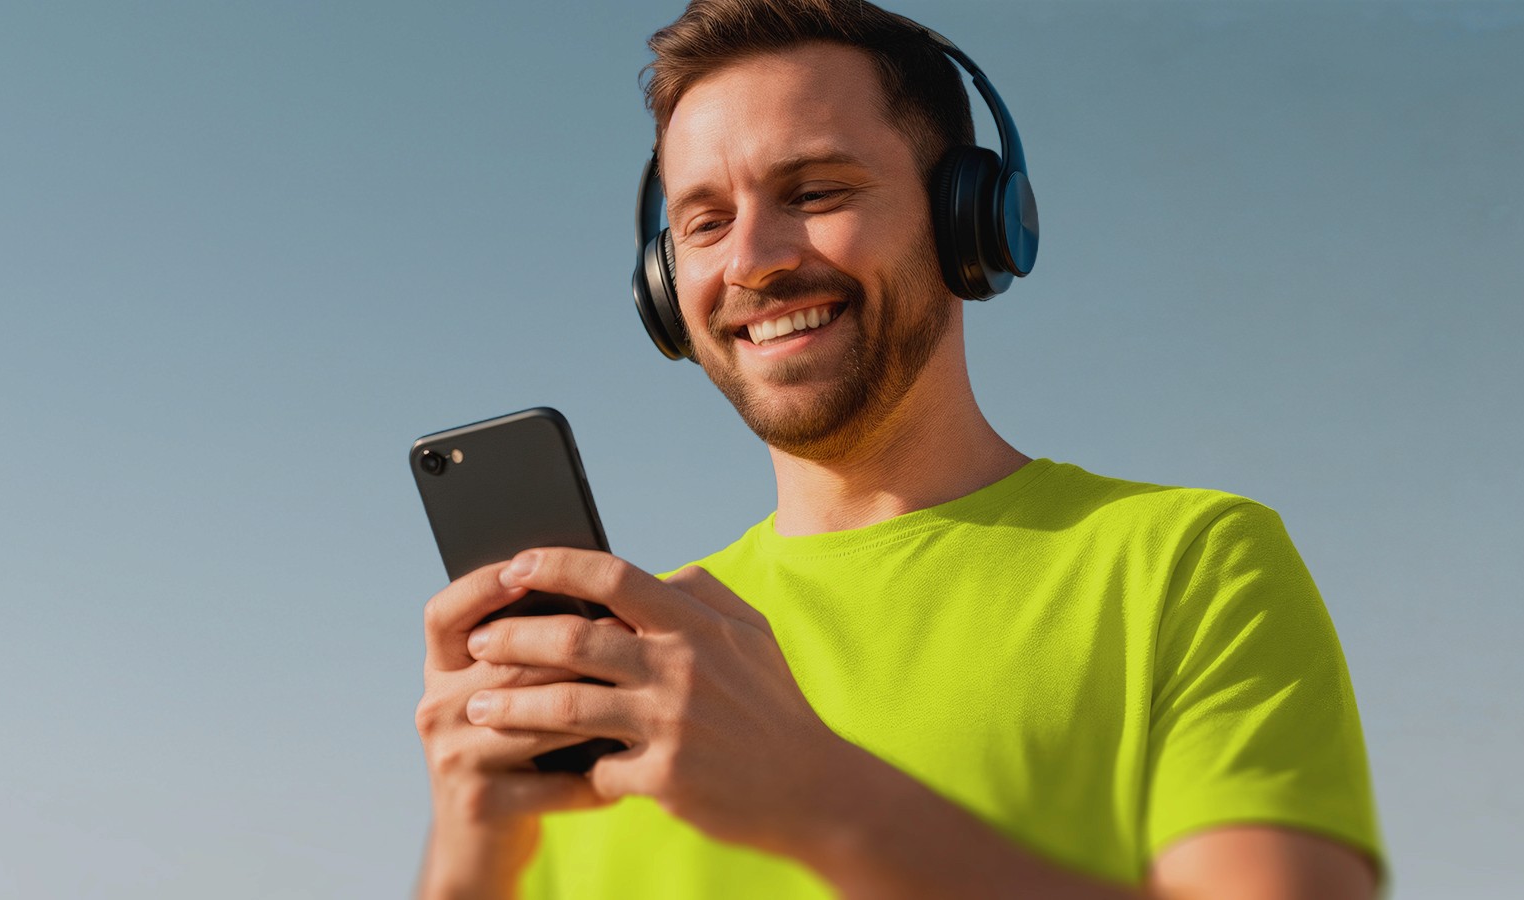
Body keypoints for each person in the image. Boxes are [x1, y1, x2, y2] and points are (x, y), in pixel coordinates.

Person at [414, 1, 1381, 897]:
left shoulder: (1185, 564)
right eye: (704, 222)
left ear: (970, 218)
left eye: (816, 190)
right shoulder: (626, 674)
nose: (751, 260)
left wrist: (823, 801)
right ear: (665, 287)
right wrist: (467, 863)